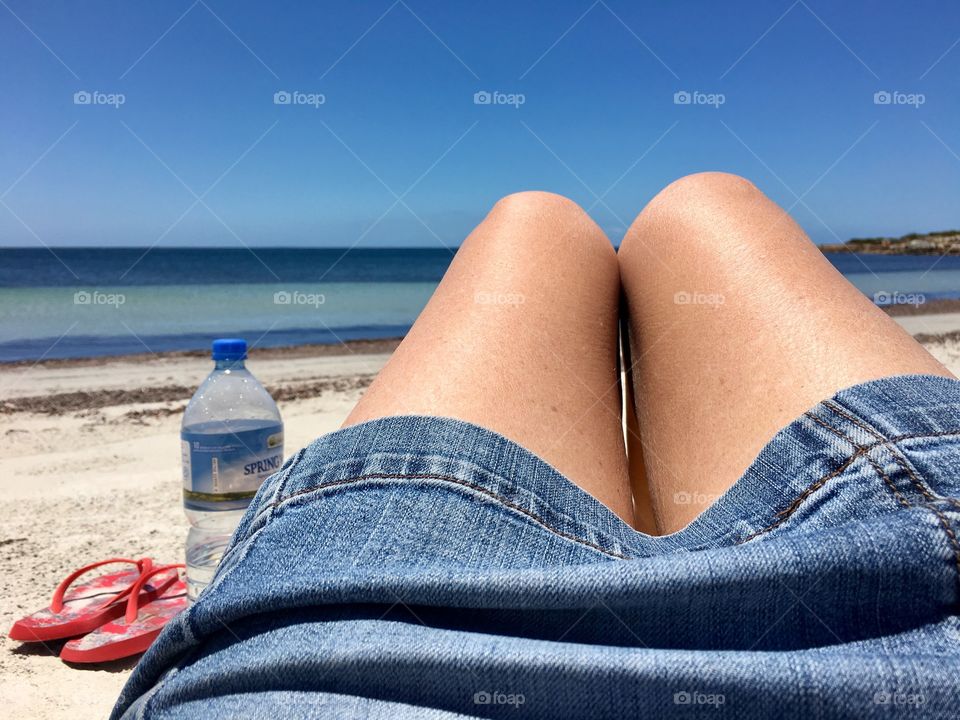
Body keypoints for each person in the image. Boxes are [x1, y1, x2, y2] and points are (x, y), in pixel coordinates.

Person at [112, 173, 960, 719]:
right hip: (921, 593)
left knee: (536, 218)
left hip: (355, 661)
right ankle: (655, 553)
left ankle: (638, 560)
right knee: (705, 207)